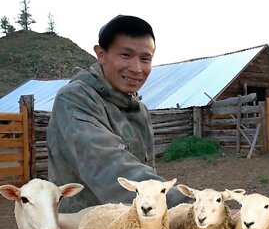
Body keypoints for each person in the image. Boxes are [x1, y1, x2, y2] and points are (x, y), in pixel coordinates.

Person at [47, 15, 189, 213]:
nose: (136, 68)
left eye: (145, 58)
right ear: (101, 54)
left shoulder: (138, 109)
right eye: (126, 55)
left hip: (130, 225)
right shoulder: (74, 99)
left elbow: (145, 172)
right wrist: (193, 207)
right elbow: (109, 167)